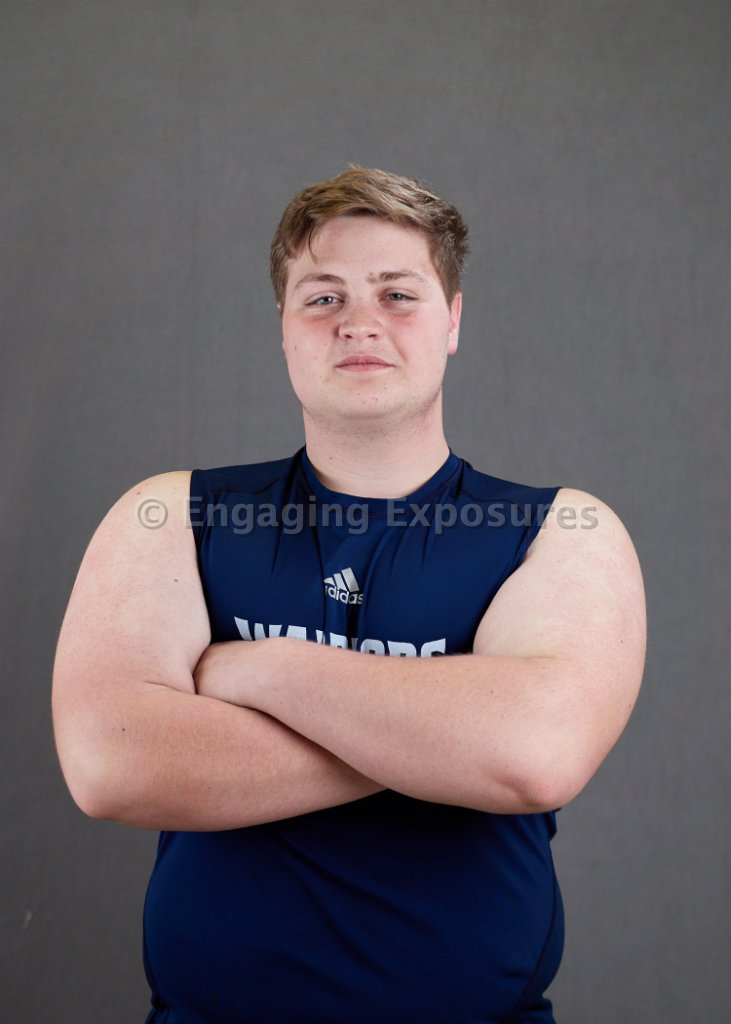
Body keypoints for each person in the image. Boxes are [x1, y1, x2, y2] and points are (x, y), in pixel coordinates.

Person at [52, 166, 646, 1023]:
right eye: (323, 297)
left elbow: (532, 753)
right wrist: (443, 737)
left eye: (397, 294)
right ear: (283, 326)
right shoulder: (171, 513)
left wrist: (256, 670)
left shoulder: (560, 528)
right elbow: (112, 764)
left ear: (451, 320)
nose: (359, 322)